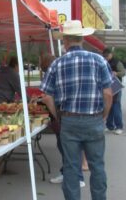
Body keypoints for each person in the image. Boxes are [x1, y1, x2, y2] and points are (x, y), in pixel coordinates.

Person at [40, 20, 113, 200]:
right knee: (97, 166)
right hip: (94, 119)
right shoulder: (99, 60)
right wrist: (103, 116)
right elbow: (108, 94)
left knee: (71, 167)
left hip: (69, 121)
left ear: (65, 41)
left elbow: (46, 96)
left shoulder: (57, 64)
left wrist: (57, 116)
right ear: (82, 38)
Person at [39, 54, 86, 188]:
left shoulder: (52, 75)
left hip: (61, 117)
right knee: (69, 148)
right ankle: (67, 173)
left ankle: (76, 177)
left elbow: (47, 98)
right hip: (71, 115)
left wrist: (56, 116)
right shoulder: (66, 74)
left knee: (67, 148)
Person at [103, 48, 126, 135]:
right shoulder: (104, 62)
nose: (106, 58)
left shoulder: (117, 62)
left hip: (116, 87)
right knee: (109, 107)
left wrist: (116, 73)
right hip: (107, 87)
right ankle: (110, 126)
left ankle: (119, 127)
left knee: (116, 107)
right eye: (104, 56)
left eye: (107, 56)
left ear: (111, 54)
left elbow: (123, 72)